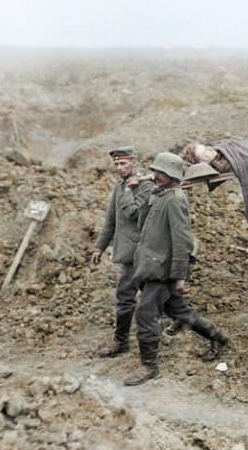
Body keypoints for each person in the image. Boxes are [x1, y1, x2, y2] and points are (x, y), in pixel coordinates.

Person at [123, 152, 229, 386]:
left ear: (173, 175)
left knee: (145, 315)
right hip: (153, 266)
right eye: (156, 172)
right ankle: (217, 336)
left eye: (162, 173)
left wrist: (181, 276)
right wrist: (145, 184)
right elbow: (142, 221)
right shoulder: (160, 194)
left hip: (162, 271)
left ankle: (149, 366)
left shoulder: (175, 199)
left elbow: (182, 241)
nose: (157, 176)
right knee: (180, 312)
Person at [91, 146, 155, 358]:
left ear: (134, 163)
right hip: (128, 254)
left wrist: (129, 190)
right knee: (132, 297)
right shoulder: (119, 186)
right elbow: (111, 220)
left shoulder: (146, 186)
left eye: (123, 163)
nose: (119, 168)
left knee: (132, 296)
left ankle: (128, 343)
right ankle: (124, 341)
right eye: (117, 164)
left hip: (142, 253)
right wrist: (99, 247)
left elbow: (134, 213)